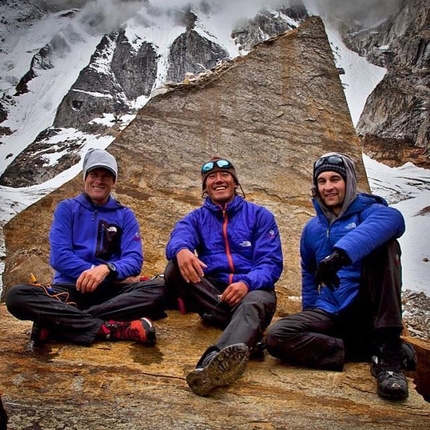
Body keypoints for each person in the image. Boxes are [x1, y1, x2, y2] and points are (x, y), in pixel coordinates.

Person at [265, 152, 416, 401]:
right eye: (322, 181)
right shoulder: (312, 229)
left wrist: (340, 255)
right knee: (277, 337)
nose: (328, 187)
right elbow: (309, 276)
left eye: (335, 179)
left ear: (349, 181)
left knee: (384, 247)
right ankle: (367, 349)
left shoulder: (369, 211)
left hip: (367, 308)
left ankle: (389, 358)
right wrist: (310, 313)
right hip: (333, 312)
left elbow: (394, 219)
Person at [6, 148, 166, 347]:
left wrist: (107, 270)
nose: (99, 181)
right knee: (17, 296)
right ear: (85, 177)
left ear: (113, 181)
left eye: (106, 176)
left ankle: (60, 324)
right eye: (94, 174)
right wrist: (90, 272)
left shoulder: (125, 215)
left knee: (160, 288)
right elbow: (60, 257)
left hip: (111, 290)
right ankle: (109, 328)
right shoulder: (67, 209)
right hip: (69, 290)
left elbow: (134, 260)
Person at [164, 157, 283, 396]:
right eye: (211, 177)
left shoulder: (260, 216)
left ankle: (212, 364)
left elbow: (270, 264)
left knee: (252, 304)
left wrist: (246, 283)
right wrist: (182, 250)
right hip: (215, 294)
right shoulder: (197, 218)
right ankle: (247, 335)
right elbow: (179, 236)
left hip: (252, 290)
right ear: (204, 187)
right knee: (173, 268)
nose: (218, 180)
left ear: (235, 182)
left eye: (225, 175)